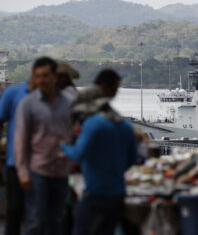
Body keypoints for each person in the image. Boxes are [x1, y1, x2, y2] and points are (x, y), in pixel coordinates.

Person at [61, 69, 138, 235]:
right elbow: (132, 158)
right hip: (118, 193)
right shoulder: (125, 126)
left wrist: (63, 146)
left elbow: (78, 154)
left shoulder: (92, 124)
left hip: (95, 193)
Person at [15, 57, 73, 235]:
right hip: (38, 171)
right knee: (36, 221)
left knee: (56, 220)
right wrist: (23, 172)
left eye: (45, 75)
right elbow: (21, 140)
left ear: (55, 76)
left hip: (61, 171)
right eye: (37, 76)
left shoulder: (68, 102)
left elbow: (73, 132)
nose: (41, 80)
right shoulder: (28, 104)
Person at [0, 76, 35, 235]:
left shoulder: (57, 98)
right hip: (16, 162)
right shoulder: (14, 93)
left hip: (43, 165)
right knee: (15, 209)